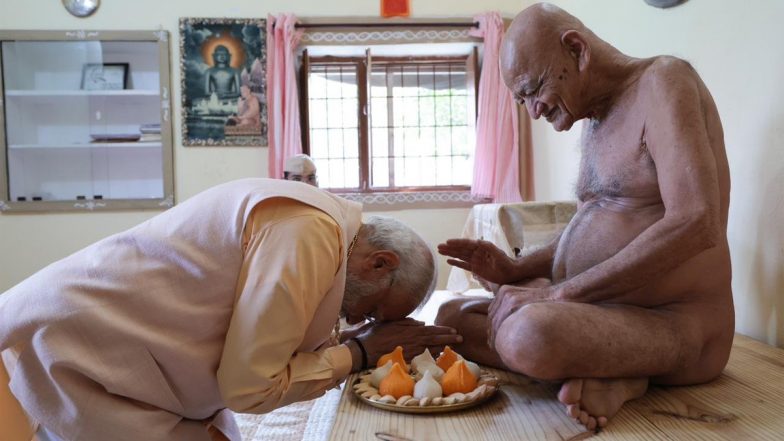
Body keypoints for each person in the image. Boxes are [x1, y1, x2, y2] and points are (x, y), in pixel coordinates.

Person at [436, 2, 732, 431]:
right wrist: (518, 268)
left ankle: (622, 369)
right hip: (604, 313)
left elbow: (696, 221)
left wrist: (559, 295)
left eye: (533, 90)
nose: (533, 112)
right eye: (522, 101)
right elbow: (589, 228)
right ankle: (617, 371)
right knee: (451, 319)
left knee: (526, 335)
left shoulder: (664, 81)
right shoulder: (592, 118)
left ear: (576, 50)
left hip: (677, 322)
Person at [0, 178, 460, 441]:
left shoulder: (322, 226)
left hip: (101, 342)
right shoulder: (312, 233)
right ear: (380, 262)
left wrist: (355, 349)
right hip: (70, 344)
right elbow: (249, 389)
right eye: (373, 309)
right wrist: (358, 353)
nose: (359, 321)